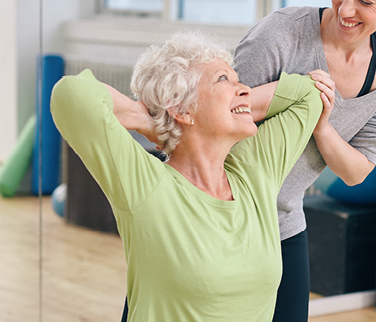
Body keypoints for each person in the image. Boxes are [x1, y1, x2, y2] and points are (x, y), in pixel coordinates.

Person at [52, 31, 326, 321]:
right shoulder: (148, 186)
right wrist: (142, 118)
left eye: (238, 80)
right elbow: (70, 93)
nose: (245, 88)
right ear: (182, 108)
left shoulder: (254, 172)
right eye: (223, 79)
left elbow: (310, 93)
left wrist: (235, 104)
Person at [232, 0, 376, 321]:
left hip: (283, 221)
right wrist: (298, 94)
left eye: (365, 0)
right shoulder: (282, 33)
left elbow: (356, 170)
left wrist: (321, 124)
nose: (345, 9)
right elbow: (219, 116)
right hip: (216, 213)